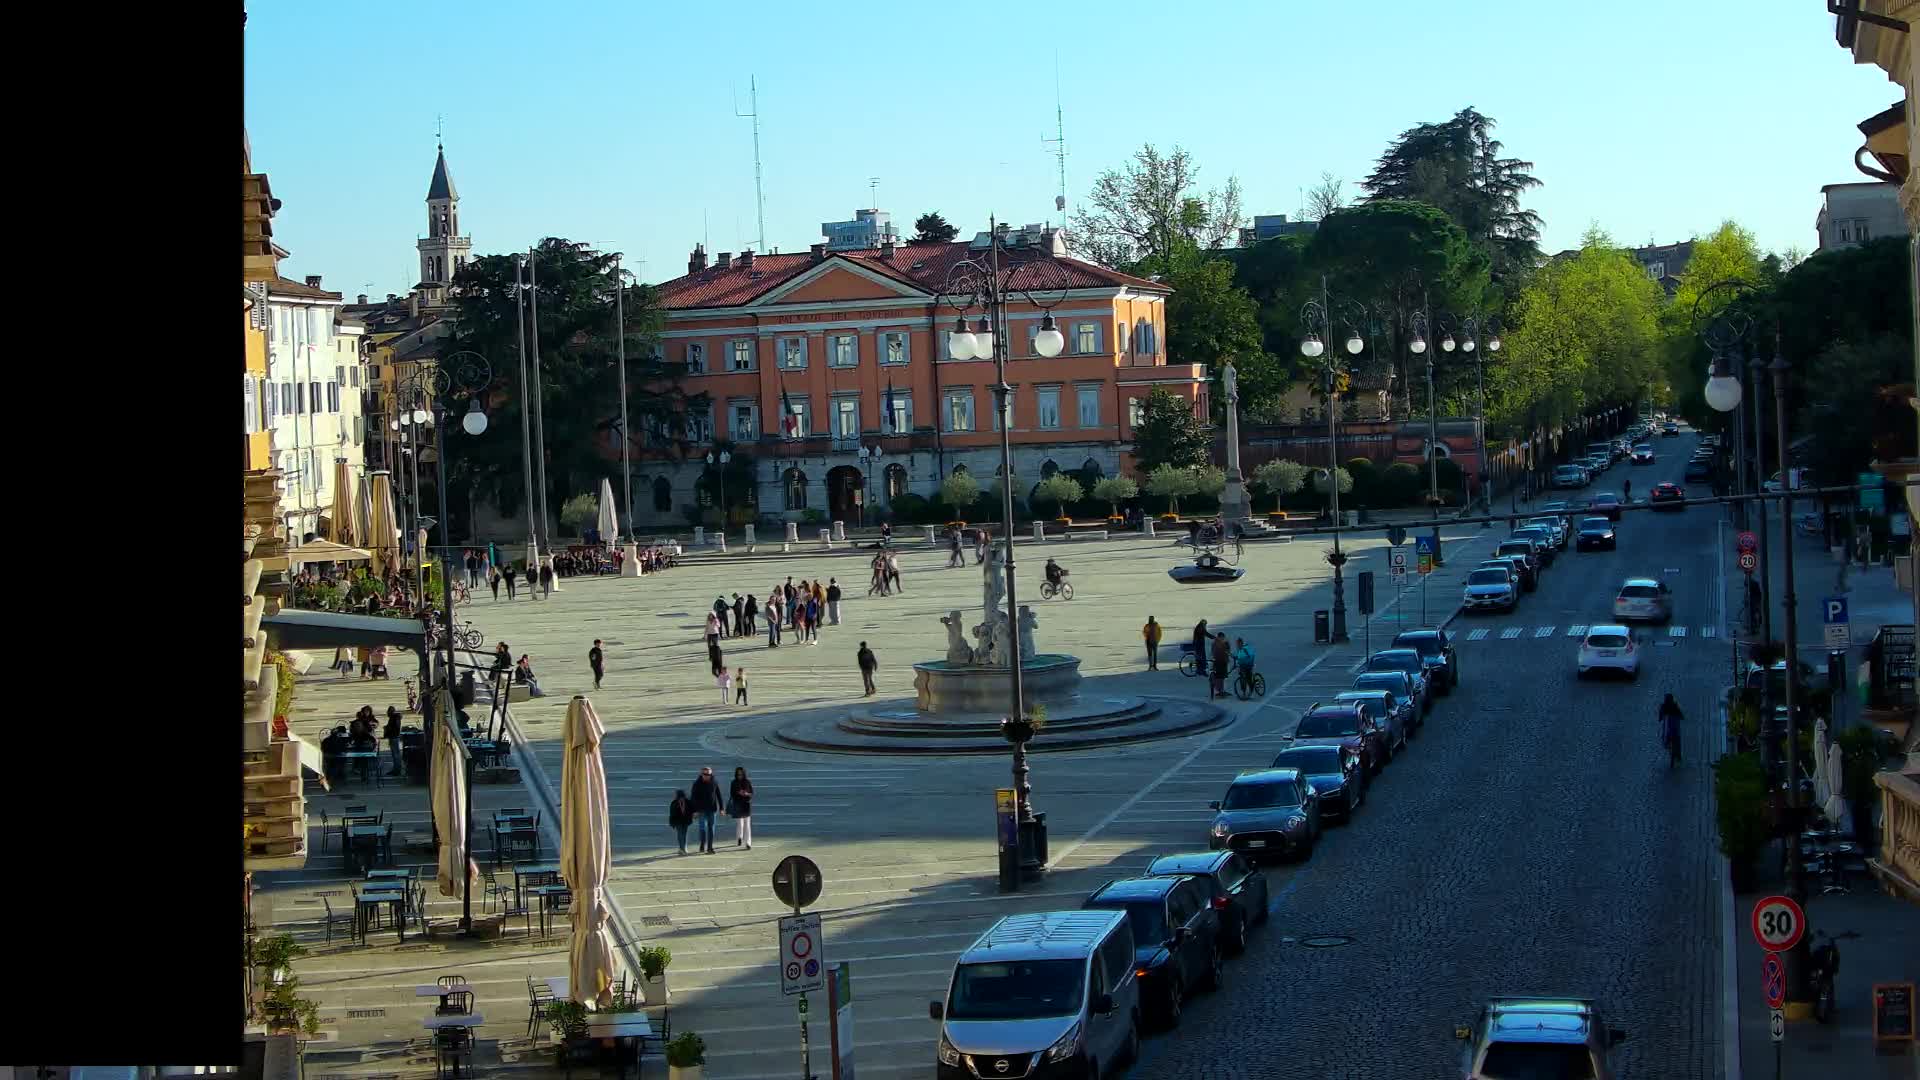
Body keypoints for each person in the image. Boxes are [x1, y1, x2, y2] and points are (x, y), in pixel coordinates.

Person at [689, 767, 724, 853]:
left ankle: (710, 847)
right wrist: (694, 811)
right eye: (705, 774)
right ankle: (702, 844)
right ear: (701, 774)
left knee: (711, 828)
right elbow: (693, 798)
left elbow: (719, 795)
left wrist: (722, 808)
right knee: (702, 828)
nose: (707, 776)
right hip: (701, 810)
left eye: (709, 774)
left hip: (712, 809)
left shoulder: (714, 782)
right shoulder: (697, 784)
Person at [729, 767, 755, 849]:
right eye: (738, 774)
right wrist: (738, 793)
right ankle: (739, 837)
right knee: (740, 823)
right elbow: (732, 794)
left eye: (741, 774)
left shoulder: (747, 782)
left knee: (747, 824)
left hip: (746, 805)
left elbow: (752, 793)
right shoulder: (734, 782)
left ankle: (748, 843)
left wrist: (747, 794)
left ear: (744, 774)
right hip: (738, 805)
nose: (740, 775)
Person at [1658, 693, 1683, 766]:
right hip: (1674, 725)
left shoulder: (1663, 706)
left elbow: (1660, 716)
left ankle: (1669, 746)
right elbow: (1680, 714)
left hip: (1669, 726)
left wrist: (1660, 718)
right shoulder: (1675, 705)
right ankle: (1678, 755)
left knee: (1666, 737)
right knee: (1677, 739)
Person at [668, 790, 694, 855]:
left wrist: (691, 817)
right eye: (680, 798)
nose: (681, 799)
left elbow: (691, 810)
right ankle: (682, 848)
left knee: (684, 834)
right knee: (680, 834)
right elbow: (672, 814)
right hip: (678, 821)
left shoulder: (687, 802)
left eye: (682, 797)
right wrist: (672, 822)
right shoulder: (675, 803)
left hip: (685, 821)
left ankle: (683, 848)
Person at [1210, 632, 1231, 699]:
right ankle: (1220, 691)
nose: (1222, 638)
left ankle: (1221, 690)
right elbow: (1225, 652)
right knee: (1220, 677)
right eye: (1222, 637)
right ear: (1219, 637)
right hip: (1220, 662)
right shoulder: (1218, 644)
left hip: (1221, 662)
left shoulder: (1215, 643)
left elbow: (1227, 651)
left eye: (1223, 637)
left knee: (1221, 677)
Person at [384, 706, 404, 774]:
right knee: (396, 754)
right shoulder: (395, 717)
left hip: (393, 737)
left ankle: (397, 769)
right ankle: (396, 768)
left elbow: (394, 728)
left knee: (395, 754)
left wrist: (387, 728)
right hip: (394, 737)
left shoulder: (393, 718)